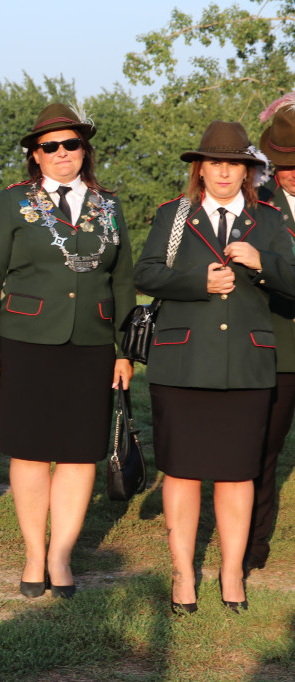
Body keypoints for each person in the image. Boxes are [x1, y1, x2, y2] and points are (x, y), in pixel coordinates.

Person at [0, 103, 135, 599]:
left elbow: (123, 279)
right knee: (29, 451)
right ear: (35, 156)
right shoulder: (14, 203)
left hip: (91, 344)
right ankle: (32, 554)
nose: (63, 153)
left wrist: (124, 350)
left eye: (72, 144)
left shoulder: (108, 205)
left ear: (84, 151)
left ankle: (61, 556)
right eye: (51, 146)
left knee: (78, 453)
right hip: (24, 342)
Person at [134, 120, 295, 614]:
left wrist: (262, 261)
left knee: (237, 474)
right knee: (180, 472)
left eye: (234, 164)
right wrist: (195, 281)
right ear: (200, 169)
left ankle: (231, 574)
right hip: (181, 363)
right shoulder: (173, 215)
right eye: (215, 163)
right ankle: (183, 575)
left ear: (246, 170)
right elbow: (146, 273)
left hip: (247, 365)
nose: (224, 172)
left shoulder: (268, 219)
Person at [246, 96, 295, 575]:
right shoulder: (258, 209)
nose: (294, 172)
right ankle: (253, 544)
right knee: (264, 450)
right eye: (285, 164)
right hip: (280, 348)